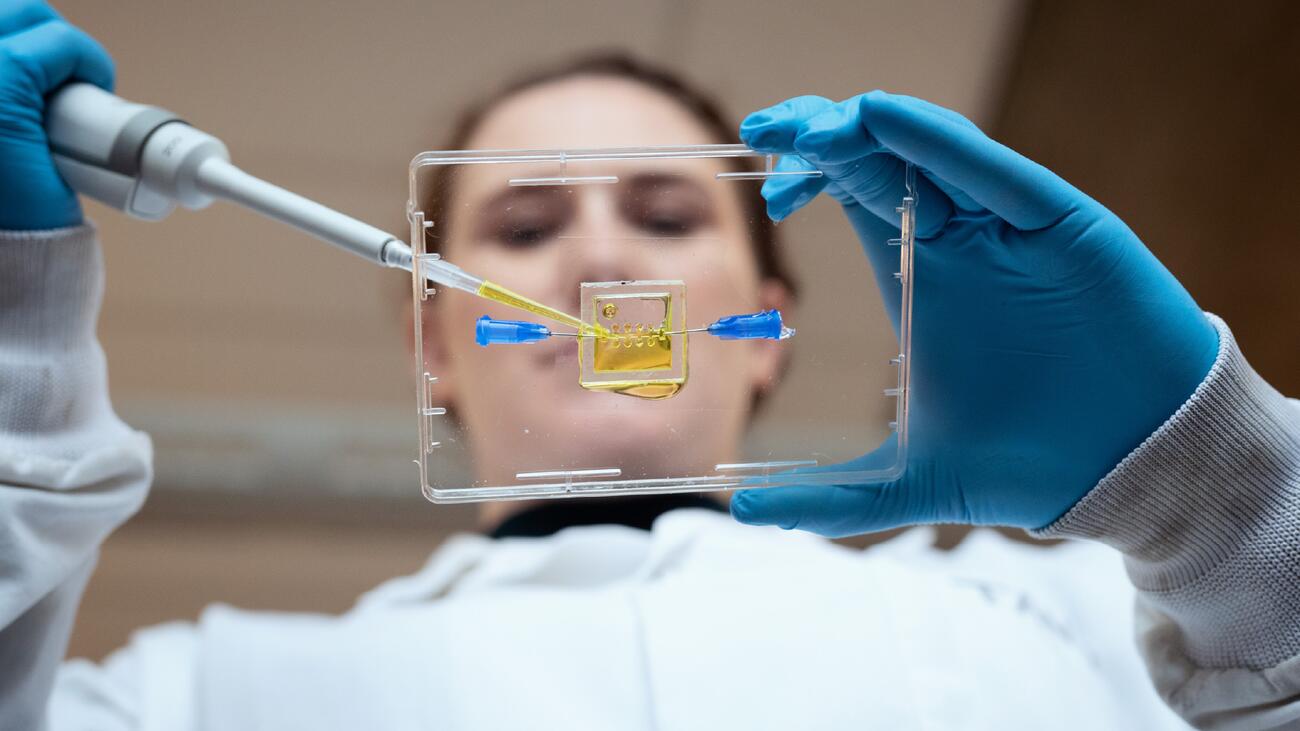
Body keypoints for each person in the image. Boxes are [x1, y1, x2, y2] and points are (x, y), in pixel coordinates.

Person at [1, 2, 1297, 729]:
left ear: (774, 322)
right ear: (429, 339)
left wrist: (1227, 501)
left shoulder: (1094, 618)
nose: (599, 262)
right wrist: (18, 344)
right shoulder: (197, 694)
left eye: (669, 218)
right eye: (522, 226)